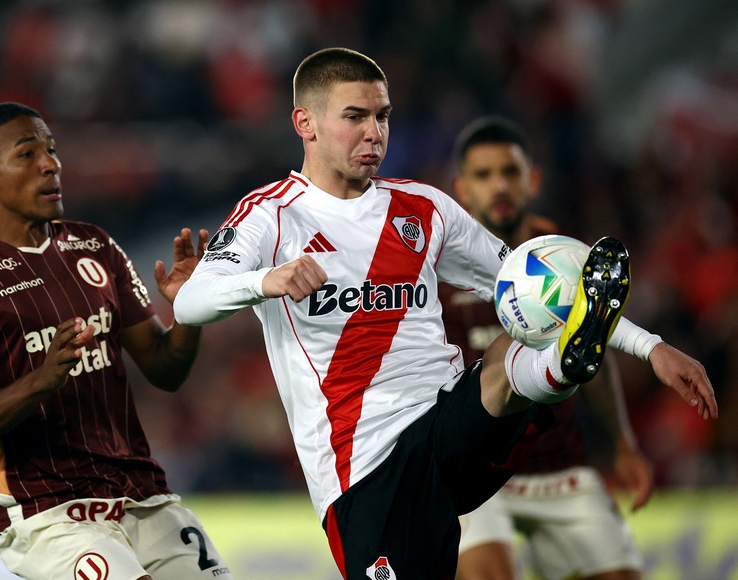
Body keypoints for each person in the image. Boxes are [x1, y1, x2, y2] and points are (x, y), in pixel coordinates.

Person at [173, 47, 717, 579]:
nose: (374, 133)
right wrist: (265, 280)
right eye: (355, 117)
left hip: (448, 421)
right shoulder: (271, 216)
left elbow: (543, 287)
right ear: (305, 123)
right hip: (365, 468)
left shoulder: (424, 208)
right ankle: (559, 367)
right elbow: (189, 301)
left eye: (383, 116)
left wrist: (650, 346)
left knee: (519, 335)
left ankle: (567, 364)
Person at [0, 102, 233, 580]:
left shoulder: (96, 246)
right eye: (27, 154)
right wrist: (41, 380)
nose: (50, 164)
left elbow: (166, 370)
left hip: (143, 497)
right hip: (49, 512)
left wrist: (189, 310)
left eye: (52, 150)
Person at [444, 116, 652, 580]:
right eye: (483, 175)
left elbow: (596, 356)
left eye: (510, 172)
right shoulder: (440, 267)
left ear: (532, 180)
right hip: (477, 473)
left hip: (558, 464)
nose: (498, 185)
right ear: (462, 188)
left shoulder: (566, 259)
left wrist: (623, 443)